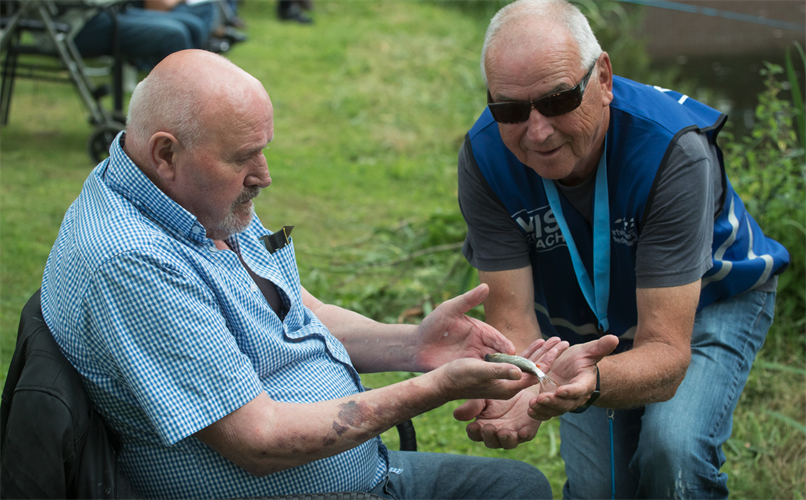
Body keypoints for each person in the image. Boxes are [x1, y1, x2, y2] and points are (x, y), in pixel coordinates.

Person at [39, 49, 611, 500]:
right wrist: (432, 389)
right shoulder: (133, 262)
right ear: (166, 152)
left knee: (521, 488)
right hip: (293, 488)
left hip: (349, 467)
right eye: (244, 158)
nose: (263, 176)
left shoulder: (189, 193)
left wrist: (413, 345)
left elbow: (295, 308)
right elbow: (258, 442)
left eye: (263, 150)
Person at [453, 1, 790, 499]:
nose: (537, 130)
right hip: (590, 312)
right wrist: (529, 381)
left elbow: (666, 352)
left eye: (558, 100)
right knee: (601, 489)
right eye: (509, 109)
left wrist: (583, 384)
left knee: (671, 451)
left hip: (710, 299)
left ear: (604, 78)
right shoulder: (485, 156)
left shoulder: (670, 151)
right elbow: (513, 318)